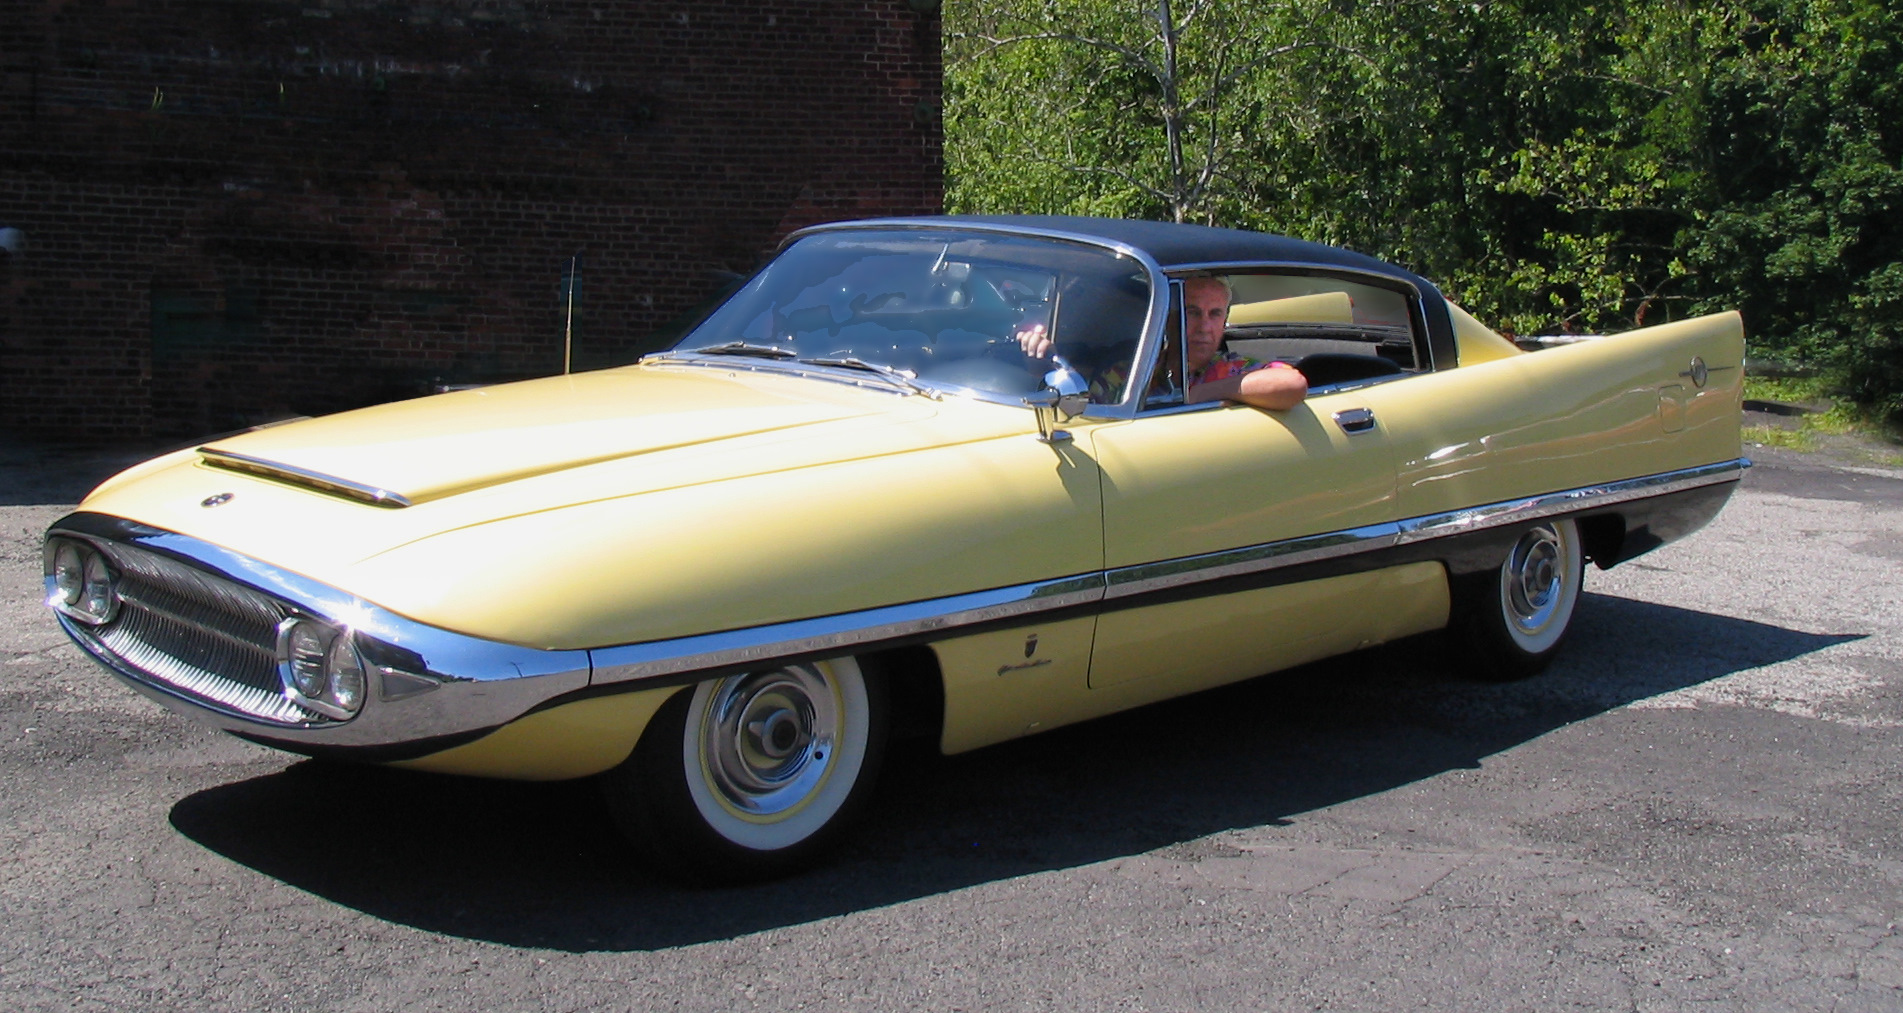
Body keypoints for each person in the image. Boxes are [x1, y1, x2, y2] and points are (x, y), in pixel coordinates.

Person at [1019, 276, 1307, 410]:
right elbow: (1090, 413)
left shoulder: (1235, 369)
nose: (1204, 327)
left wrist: (1200, 394)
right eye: (1191, 312)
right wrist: (1042, 366)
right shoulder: (1131, 372)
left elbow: (1291, 384)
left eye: (1215, 314)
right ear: (1168, 317)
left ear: (1224, 321)